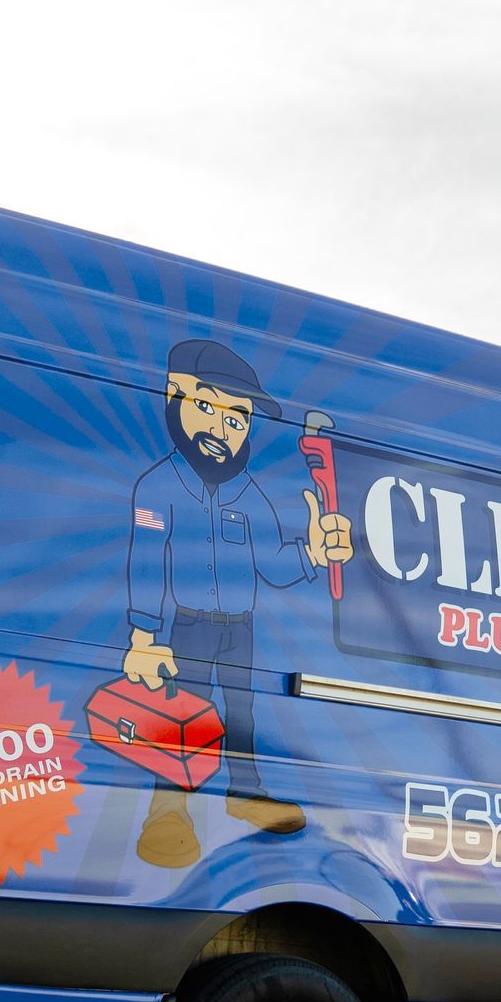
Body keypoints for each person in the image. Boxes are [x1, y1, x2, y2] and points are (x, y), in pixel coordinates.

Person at [123, 337, 352, 868]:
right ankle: (170, 811)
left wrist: (313, 552)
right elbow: (145, 561)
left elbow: (273, 563)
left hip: (239, 627)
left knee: (242, 714)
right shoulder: (158, 488)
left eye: (237, 418)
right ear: (175, 396)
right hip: (189, 628)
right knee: (184, 718)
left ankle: (245, 794)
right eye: (207, 408)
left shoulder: (249, 493)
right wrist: (142, 637)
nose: (223, 430)